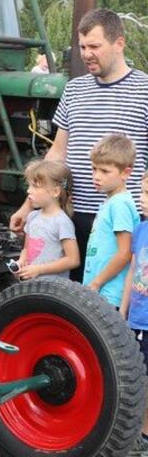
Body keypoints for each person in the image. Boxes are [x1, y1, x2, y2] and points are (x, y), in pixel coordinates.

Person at [10, 8, 148, 282]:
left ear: (119, 43)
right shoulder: (74, 89)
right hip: (75, 215)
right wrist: (29, 205)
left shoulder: (144, 90)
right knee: (69, 294)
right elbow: (57, 153)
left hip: (122, 221)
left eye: (94, 46)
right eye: (83, 47)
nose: (86, 54)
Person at [83, 134, 139, 307]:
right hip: (100, 292)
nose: (96, 176)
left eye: (105, 171)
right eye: (94, 169)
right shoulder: (111, 202)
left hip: (109, 294)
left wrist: (96, 283)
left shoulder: (120, 204)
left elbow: (125, 253)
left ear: (125, 173)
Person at [119, 171, 148, 447]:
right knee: (137, 375)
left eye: (147, 194)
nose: (142, 199)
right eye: (141, 191)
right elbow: (132, 270)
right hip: (137, 319)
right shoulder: (141, 229)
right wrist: (124, 309)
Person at [15, 159, 80, 280]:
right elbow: (27, 249)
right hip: (31, 285)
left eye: (35, 186)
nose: (29, 190)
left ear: (55, 192)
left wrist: (39, 269)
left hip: (52, 288)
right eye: (29, 185)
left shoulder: (62, 222)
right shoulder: (32, 217)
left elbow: (73, 260)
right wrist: (21, 262)